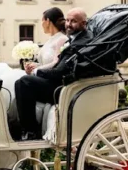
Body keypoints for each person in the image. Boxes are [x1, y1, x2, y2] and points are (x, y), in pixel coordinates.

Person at [14, 7, 90, 140]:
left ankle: (30, 130)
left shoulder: (78, 42)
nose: (68, 24)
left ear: (84, 23)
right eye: (67, 20)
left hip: (64, 86)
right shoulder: (74, 39)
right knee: (22, 81)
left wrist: (37, 71)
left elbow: (60, 70)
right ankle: (27, 128)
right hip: (61, 82)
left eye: (73, 21)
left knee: (24, 82)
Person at [23, 7, 69, 75]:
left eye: (42, 20)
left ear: (47, 21)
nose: (41, 24)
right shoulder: (49, 40)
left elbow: (56, 63)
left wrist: (36, 70)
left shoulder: (62, 39)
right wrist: (33, 66)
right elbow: (44, 65)